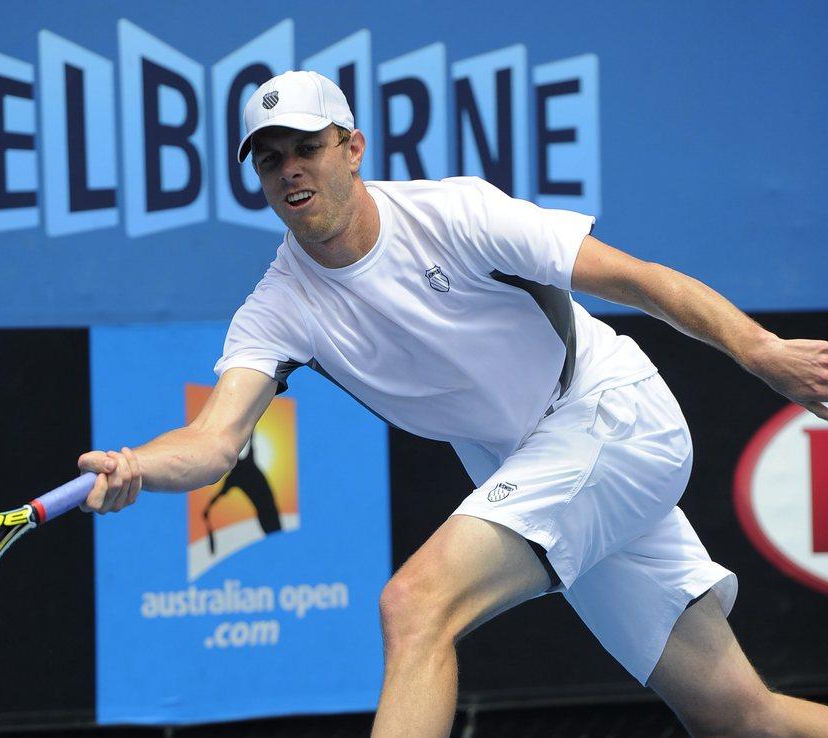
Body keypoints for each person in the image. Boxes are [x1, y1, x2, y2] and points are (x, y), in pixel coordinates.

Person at [78, 71, 828, 737]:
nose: (290, 170)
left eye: (306, 146)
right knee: (739, 718)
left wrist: (760, 351)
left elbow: (638, 280)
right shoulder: (277, 307)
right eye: (270, 159)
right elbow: (214, 441)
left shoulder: (459, 214)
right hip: (536, 463)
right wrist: (136, 464)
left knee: (414, 604)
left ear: (353, 147)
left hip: (607, 416)